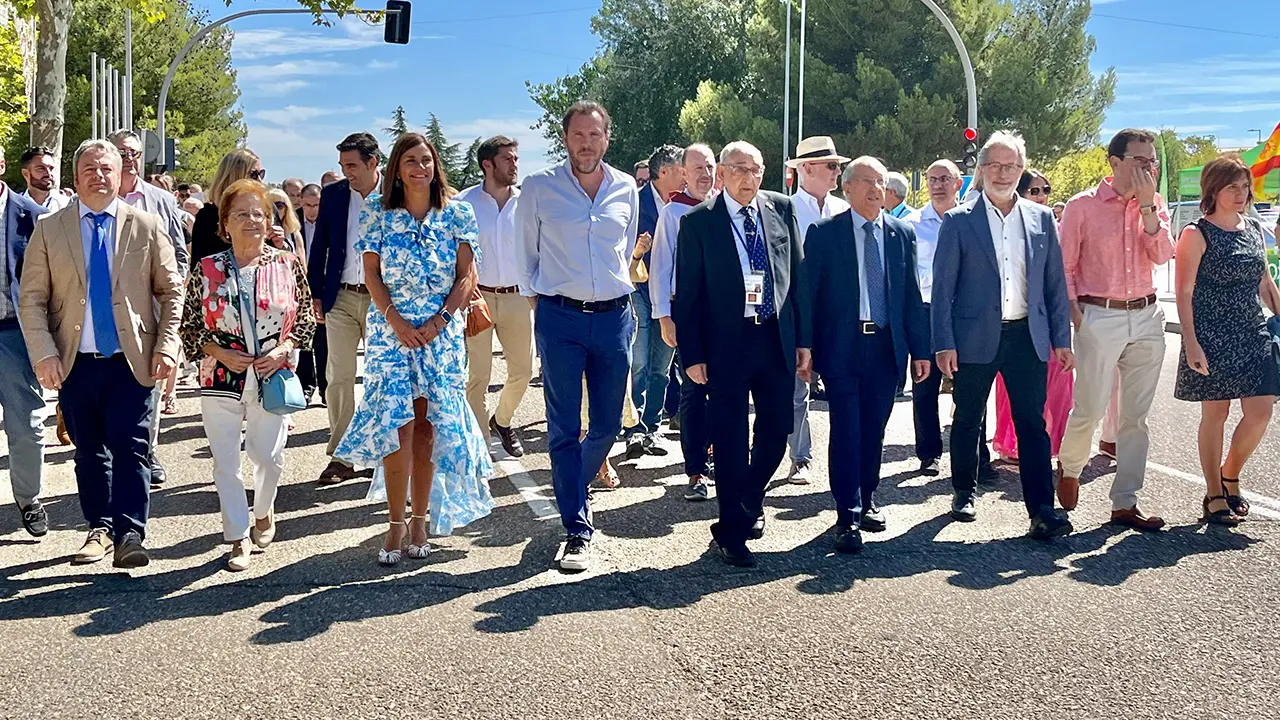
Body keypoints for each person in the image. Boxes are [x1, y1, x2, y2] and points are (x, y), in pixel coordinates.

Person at [19, 139, 183, 568]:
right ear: (76, 178)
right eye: (89, 169)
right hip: (75, 361)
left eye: (107, 168)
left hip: (134, 360)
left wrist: (166, 346)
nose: (99, 175)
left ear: (121, 173)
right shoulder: (50, 230)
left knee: (132, 447)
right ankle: (99, 529)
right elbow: (32, 298)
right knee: (89, 450)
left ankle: (130, 533)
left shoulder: (145, 226)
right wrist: (43, 354)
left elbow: (171, 292)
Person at [335, 132, 494, 564]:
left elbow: (467, 276)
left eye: (426, 160)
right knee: (396, 427)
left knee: (427, 428)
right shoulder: (376, 212)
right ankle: (394, 524)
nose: (419, 168)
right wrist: (396, 320)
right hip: (391, 334)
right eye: (410, 161)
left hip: (440, 336)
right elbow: (371, 274)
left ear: (435, 165)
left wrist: (441, 320)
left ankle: (420, 520)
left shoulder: (458, 212)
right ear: (397, 169)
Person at [674, 140, 811, 568]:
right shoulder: (699, 223)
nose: (749, 179)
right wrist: (692, 355)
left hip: (774, 338)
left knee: (776, 430)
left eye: (756, 170)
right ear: (721, 174)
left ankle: (748, 498)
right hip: (726, 344)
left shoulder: (781, 209)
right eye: (739, 170)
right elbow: (689, 296)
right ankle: (731, 530)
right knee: (730, 438)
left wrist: (804, 341)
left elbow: (798, 279)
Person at [931, 131, 1074, 540]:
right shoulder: (959, 221)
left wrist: (1061, 340)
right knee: (968, 417)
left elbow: (1053, 285)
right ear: (981, 170)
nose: (1003, 173)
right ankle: (963, 490)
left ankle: (1042, 510)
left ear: (1021, 169)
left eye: (1011, 166)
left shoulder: (1041, 217)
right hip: (973, 337)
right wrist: (944, 343)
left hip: (1028, 336)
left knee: (1032, 423)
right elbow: (943, 289)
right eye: (994, 165)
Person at [516, 101, 639, 572]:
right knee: (564, 426)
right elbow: (525, 252)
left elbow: (624, 252)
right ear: (565, 138)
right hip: (560, 319)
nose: (586, 144)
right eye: (578, 135)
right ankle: (576, 528)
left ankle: (570, 484)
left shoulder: (626, 187)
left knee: (608, 424)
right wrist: (542, 304)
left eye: (595, 135)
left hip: (614, 318)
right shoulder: (540, 187)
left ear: (607, 138)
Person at [180, 179, 314, 571]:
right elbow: (189, 327)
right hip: (220, 377)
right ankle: (237, 536)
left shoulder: (287, 265)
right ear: (225, 223)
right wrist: (219, 352)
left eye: (258, 213)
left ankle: (264, 511)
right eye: (241, 213)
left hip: (272, 374)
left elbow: (306, 318)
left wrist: (285, 349)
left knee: (268, 457)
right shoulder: (207, 269)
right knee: (225, 462)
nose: (251, 220)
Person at [807, 156, 930, 553]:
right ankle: (847, 513)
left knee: (874, 428)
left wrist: (920, 349)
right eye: (866, 181)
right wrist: (806, 349)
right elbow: (810, 297)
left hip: (884, 345)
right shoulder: (825, 234)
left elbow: (910, 297)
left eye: (881, 181)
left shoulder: (900, 234)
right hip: (842, 347)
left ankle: (867, 496)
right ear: (847, 188)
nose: (876, 189)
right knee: (846, 429)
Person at [1056, 129, 1174, 531]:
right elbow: (1065, 266)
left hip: (1146, 314)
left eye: (1151, 161)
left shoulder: (1154, 203)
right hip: (1098, 314)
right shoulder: (1081, 206)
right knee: (1088, 407)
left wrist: (1147, 211)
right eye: (1140, 160)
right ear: (1116, 162)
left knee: (1135, 417)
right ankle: (1070, 467)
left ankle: (1124, 501)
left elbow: (1162, 255)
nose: (1148, 168)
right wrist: (1074, 313)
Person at [1174, 156, 1280, 525]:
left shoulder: (1251, 228)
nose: (1241, 194)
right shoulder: (1196, 233)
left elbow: (1265, 284)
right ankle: (1214, 492)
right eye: (1232, 187)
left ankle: (1230, 472)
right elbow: (1184, 292)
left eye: (1244, 186)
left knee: (1260, 412)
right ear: (1213, 190)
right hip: (1212, 334)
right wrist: (1191, 343)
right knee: (1215, 414)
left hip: (1253, 333)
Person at [907, 159, 998, 480]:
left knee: (972, 390)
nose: (937, 184)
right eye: (932, 179)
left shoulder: (975, 221)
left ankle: (978, 459)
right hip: (927, 313)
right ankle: (929, 454)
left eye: (945, 178)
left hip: (967, 316)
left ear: (959, 183)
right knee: (924, 387)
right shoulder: (912, 224)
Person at [109, 130, 190, 487]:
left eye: (134, 153)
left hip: (150, 307)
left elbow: (179, 252)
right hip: (106, 306)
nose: (129, 158)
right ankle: (109, 452)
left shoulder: (160, 200)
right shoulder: (96, 197)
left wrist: (173, 293)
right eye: (122, 152)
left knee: (150, 381)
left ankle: (146, 452)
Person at [309, 132, 382, 484]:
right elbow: (319, 244)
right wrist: (316, 293)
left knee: (383, 378)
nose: (346, 172)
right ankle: (341, 456)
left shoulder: (396, 195)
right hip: (340, 297)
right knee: (337, 377)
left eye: (352, 165)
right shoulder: (334, 195)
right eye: (342, 166)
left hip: (385, 302)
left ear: (373, 163)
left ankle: (385, 455)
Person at [991, 169, 1075, 464]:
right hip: (1013, 327)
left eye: (1045, 190)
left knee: (1060, 389)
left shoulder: (1050, 223)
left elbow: (1057, 280)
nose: (1041, 196)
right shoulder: (1005, 225)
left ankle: (1052, 445)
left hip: (1049, 323)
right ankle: (1011, 443)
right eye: (1034, 190)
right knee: (1016, 395)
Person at [458, 136, 533, 457]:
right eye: (507, 159)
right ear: (487, 164)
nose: (514, 165)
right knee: (478, 375)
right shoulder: (464, 203)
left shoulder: (527, 201)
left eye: (516, 159)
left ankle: (501, 421)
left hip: (519, 297)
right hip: (478, 297)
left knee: (523, 371)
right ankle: (480, 445)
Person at [649, 143, 717, 500]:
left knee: (727, 389)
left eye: (709, 166)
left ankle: (721, 456)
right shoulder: (674, 213)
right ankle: (695, 471)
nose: (705, 174)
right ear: (684, 173)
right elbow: (660, 266)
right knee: (694, 388)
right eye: (697, 169)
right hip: (688, 312)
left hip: (726, 314)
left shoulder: (727, 206)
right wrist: (664, 316)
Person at [782, 136, 851, 484]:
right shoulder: (785, 210)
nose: (838, 172)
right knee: (798, 390)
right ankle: (800, 457)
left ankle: (847, 465)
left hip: (838, 318)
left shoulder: (843, 210)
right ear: (807, 168)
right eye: (831, 165)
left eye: (838, 165)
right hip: (797, 312)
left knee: (843, 393)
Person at [0, 153, 52, 536]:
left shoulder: (32, 216)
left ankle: (28, 499)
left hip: (15, 335)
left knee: (26, 425)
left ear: (2, 166)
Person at [625, 144, 684, 460]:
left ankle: (652, 427)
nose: (686, 175)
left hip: (672, 296)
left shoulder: (686, 204)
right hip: (638, 290)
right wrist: (636, 249)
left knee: (662, 365)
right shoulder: (634, 201)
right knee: (640, 361)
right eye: (680, 169)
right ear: (664, 172)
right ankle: (633, 429)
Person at [191, 149, 265, 266]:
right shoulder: (207, 216)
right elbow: (198, 266)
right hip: (221, 282)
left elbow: (279, 258)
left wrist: (281, 244)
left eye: (261, 174)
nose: (260, 180)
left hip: (264, 280)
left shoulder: (267, 210)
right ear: (234, 175)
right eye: (254, 174)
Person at [296, 182, 327, 405]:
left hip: (323, 286)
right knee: (303, 340)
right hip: (298, 288)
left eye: (316, 205)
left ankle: (326, 388)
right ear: (300, 202)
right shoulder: (293, 222)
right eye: (308, 205)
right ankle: (306, 386)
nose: (312, 210)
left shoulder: (328, 220)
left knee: (324, 341)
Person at [19, 146, 68, 212]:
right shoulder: (14, 205)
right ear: (25, 173)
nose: (48, 173)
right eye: (41, 169)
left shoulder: (66, 205)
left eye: (51, 168)